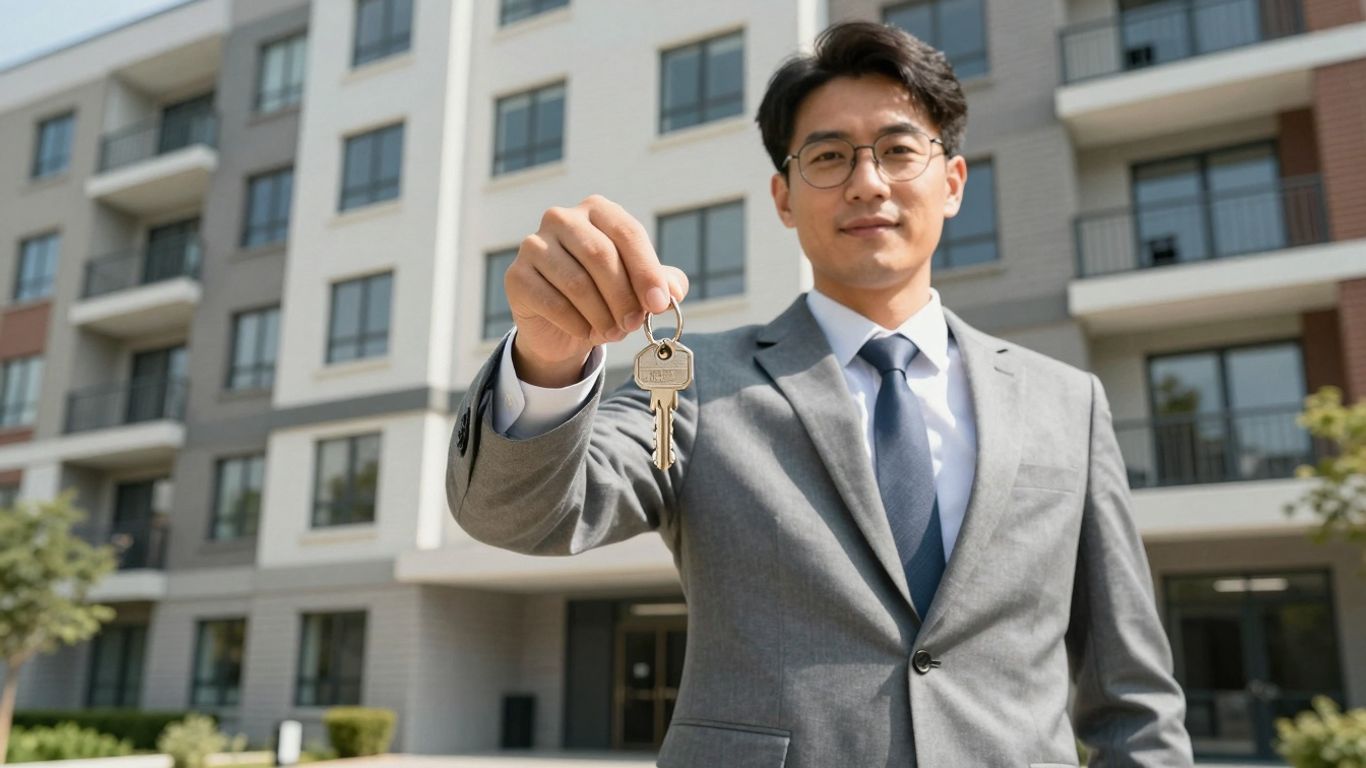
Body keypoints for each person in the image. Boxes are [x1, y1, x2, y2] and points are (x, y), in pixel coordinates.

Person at [447, 20, 1193, 768]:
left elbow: (1134, 702)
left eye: (899, 151)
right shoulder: (698, 381)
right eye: (829, 156)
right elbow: (522, 513)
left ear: (955, 182)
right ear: (783, 196)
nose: (867, 181)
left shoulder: (1068, 403)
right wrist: (547, 355)